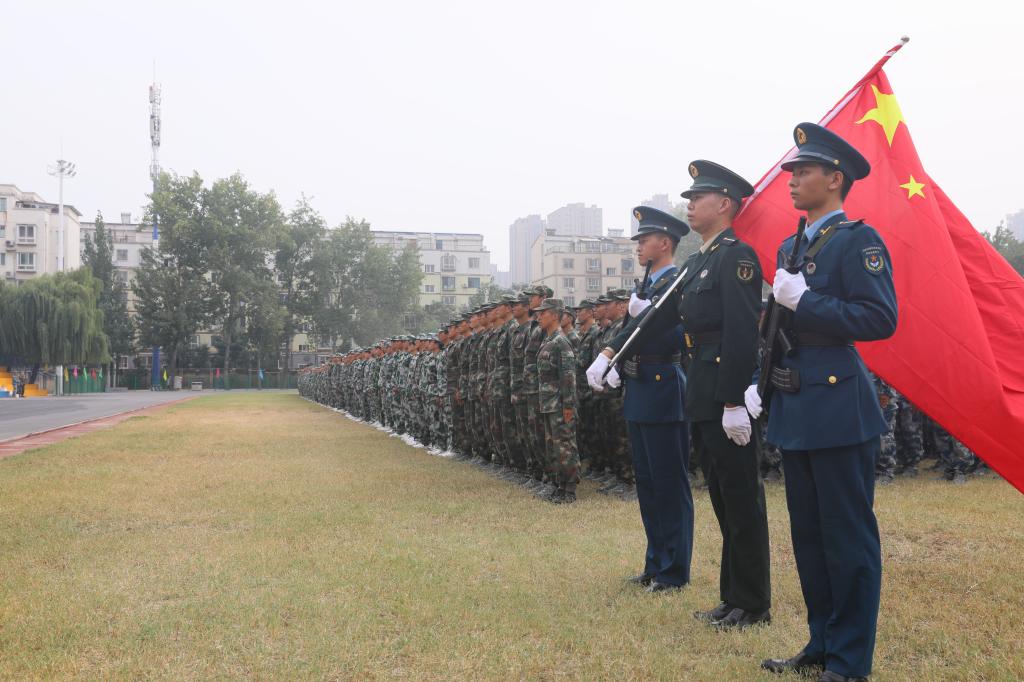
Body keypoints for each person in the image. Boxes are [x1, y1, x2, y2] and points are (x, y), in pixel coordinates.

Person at [746, 123, 897, 681]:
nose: (791, 180)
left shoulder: (859, 241)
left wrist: (808, 301)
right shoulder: (791, 246)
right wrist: (757, 380)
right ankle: (822, 644)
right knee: (809, 538)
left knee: (847, 539)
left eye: (802, 171)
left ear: (835, 179)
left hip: (838, 405)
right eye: (792, 171)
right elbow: (777, 328)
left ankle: (850, 662)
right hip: (796, 403)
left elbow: (880, 318)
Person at [676, 160, 772, 629]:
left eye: (699, 197)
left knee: (741, 500)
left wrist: (734, 400)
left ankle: (753, 603)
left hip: (723, 393)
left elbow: (740, 332)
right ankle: (732, 597)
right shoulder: (698, 260)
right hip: (701, 387)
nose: (690, 204)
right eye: (690, 197)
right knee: (722, 497)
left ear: (725, 204)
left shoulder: (736, 256)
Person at [587, 207, 692, 593]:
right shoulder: (646, 286)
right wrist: (616, 359)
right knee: (647, 483)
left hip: (664, 386)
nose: (638, 247)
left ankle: (674, 570)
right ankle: (655, 562)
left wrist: (638, 330)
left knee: (669, 483)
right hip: (641, 387)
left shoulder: (678, 282)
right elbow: (632, 334)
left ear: (664, 243)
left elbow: (679, 335)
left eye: (643, 240)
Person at [534, 298, 581, 503]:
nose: (538, 317)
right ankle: (559, 485)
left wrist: (568, 405)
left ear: (554, 315)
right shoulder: (548, 340)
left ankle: (569, 489)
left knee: (565, 446)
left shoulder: (561, 342)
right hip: (548, 403)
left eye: (542, 313)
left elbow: (568, 377)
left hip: (560, 404)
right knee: (553, 446)